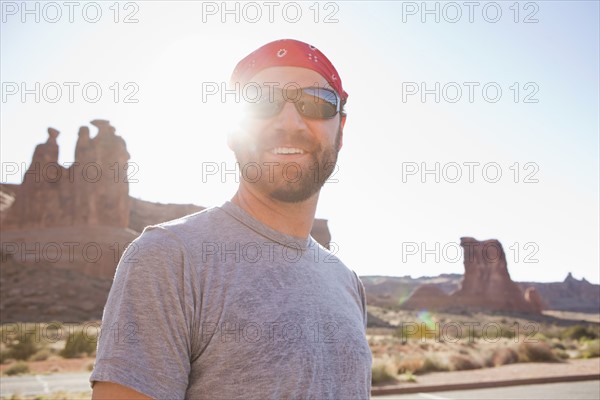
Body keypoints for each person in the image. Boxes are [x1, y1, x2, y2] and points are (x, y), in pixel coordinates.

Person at [90, 38, 372, 399]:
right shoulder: (168, 258)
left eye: (317, 102)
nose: (290, 122)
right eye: (262, 102)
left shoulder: (346, 281)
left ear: (341, 130)